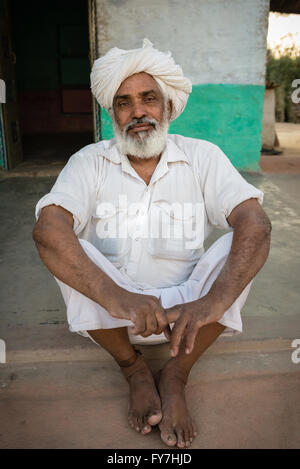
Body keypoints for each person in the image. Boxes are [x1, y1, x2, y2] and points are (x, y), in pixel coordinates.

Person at [33, 39, 271, 448]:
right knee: (67, 244)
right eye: (124, 103)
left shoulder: (202, 157)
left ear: (169, 108)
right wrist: (117, 297)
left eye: (148, 99)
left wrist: (210, 302)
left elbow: (255, 222)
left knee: (245, 240)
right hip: (113, 316)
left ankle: (177, 373)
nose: (138, 112)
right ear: (112, 113)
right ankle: (133, 367)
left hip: (191, 314)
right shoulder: (88, 162)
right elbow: (48, 230)